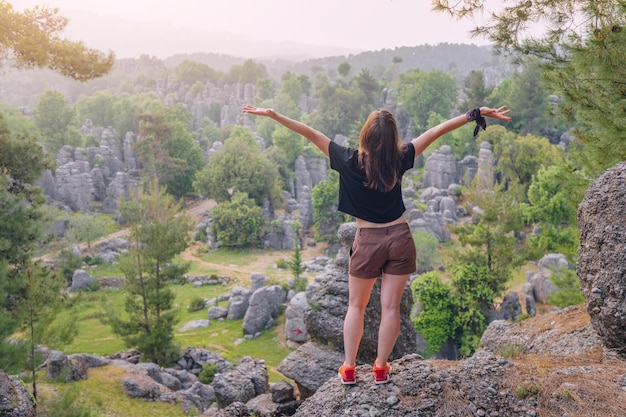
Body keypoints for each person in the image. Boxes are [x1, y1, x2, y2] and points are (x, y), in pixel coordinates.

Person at [242, 104, 512, 385]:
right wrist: (475, 113)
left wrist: (274, 115)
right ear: (393, 137)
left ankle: (348, 368)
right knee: (391, 308)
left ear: (365, 136)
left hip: (367, 241)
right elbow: (436, 130)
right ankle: (381, 368)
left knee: (356, 307)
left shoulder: (348, 160)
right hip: (399, 238)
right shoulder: (401, 157)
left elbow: (310, 133)